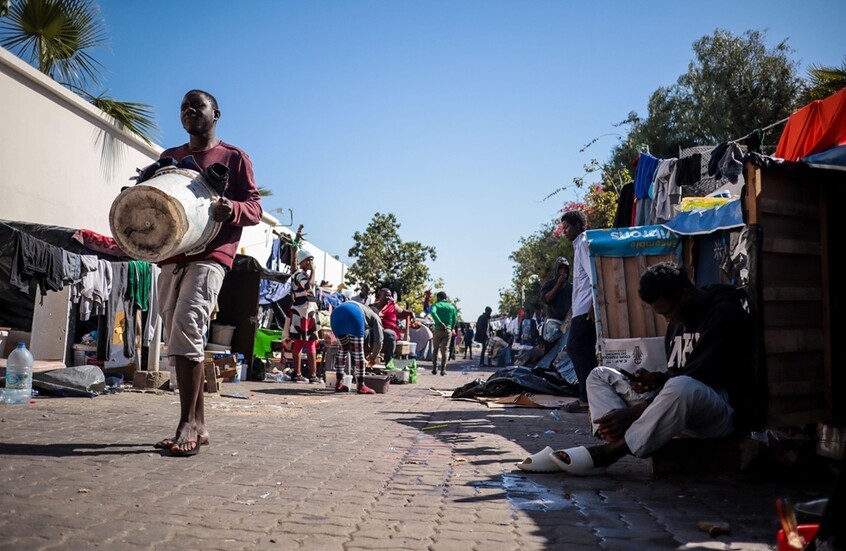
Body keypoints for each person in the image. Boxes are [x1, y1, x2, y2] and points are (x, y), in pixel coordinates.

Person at [543, 262, 755, 475]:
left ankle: (612, 452)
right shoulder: (677, 321)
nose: (667, 319)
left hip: (720, 413)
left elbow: (698, 378)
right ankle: (619, 435)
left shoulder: (724, 315)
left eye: (669, 312)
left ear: (685, 295)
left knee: (681, 388)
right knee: (599, 375)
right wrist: (654, 379)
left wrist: (633, 413)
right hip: (676, 408)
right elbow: (678, 372)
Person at [154, 89, 262, 456]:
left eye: (197, 105)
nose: (188, 110)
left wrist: (229, 208)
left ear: (216, 114)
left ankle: (187, 423)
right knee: (178, 338)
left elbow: (254, 208)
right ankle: (198, 424)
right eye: (183, 106)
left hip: (211, 255)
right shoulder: (171, 157)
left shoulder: (233, 158)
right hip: (172, 257)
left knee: (187, 325)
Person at [560, 210, 596, 413]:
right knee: (585, 352)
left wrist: (592, 304)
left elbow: (593, 276)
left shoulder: (583, 243)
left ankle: (586, 397)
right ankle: (590, 395)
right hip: (581, 307)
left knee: (576, 348)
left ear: (578, 226)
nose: (564, 231)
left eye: (567, 227)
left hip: (586, 308)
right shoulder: (579, 244)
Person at [329, 300, 382, 394]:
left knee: (343, 348)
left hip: (336, 314)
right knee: (358, 352)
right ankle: (361, 385)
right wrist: (374, 357)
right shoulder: (375, 317)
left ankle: (338, 383)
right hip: (354, 314)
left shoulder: (362, 307)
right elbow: (379, 340)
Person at [288, 248, 320, 383]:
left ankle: (311, 375)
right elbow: (308, 286)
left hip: (308, 311)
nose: (310, 262)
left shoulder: (303, 275)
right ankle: (299, 373)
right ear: (301, 262)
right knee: (300, 342)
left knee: (310, 341)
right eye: (308, 260)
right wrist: (313, 271)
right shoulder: (299, 275)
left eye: (311, 260)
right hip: (302, 312)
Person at [537, 257, 573, 369]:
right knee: (551, 350)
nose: (563, 272)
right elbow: (546, 299)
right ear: (556, 270)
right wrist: (558, 285)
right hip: (553, 324)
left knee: (564, 351)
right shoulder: (550, 284)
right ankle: (545, 368)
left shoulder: (571, 287)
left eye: (565, 270)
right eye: (561, 269)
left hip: (566, 324)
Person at [371, 288, 413, 365]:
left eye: (390, 296)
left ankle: (389, 363)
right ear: (380, 296)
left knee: (389, 334)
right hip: (375, 330)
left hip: (388, 330)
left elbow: (403, 311)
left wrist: (410, 313)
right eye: (386, 296)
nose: (389, 298)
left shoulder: (393, 306)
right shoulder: (373, 307)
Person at [430, 291, 457, 375]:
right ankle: (443, 370)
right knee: (445, 350)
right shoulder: (452, 307)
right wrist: (451, 328)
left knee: (435, 349)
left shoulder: (436, 305)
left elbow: (433, 312)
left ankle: (434, 368)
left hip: (438, 329)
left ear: (438, 298)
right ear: (446, 298)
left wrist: (439, 321)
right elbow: (455, 319)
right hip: (447, 330)